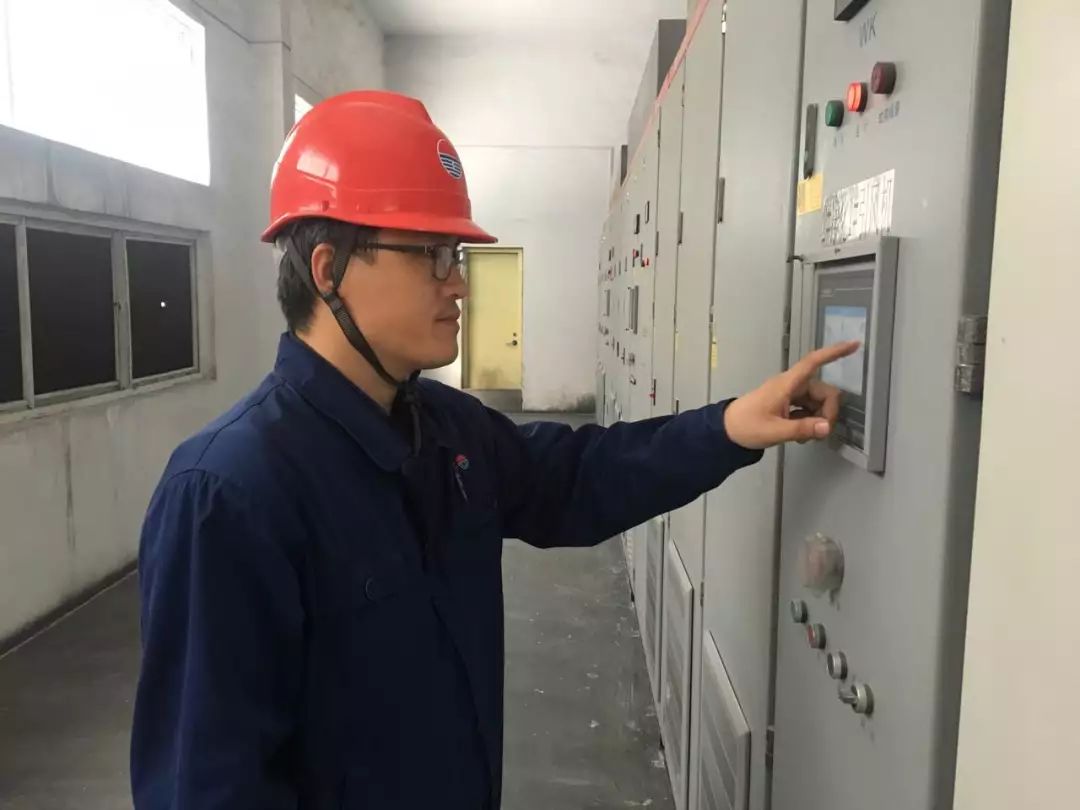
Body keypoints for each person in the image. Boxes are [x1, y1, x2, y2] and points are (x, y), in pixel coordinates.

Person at [130, 90, 857, 810]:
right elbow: (207, 789)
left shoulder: (446, 430)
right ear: (329, 270)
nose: (459, 285)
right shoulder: (231, 493)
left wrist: (728, 427)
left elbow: (577, 479)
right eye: (431, 256)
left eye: (455, 256)